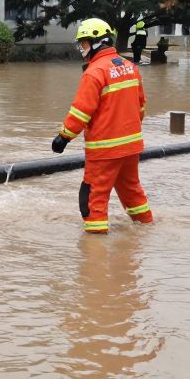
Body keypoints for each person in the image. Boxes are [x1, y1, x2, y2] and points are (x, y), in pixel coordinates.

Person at [52, 18, 153, 233]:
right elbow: (141, 107)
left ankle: (95, 249)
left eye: (85, 43)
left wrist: (63, 137)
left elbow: (81, 111)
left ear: (98, 42)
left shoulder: (94, 72)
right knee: (132, 192)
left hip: (104, 149)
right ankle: (146, 229)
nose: (83, 48)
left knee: (92, 198)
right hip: (131, 147)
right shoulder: (130, 67)